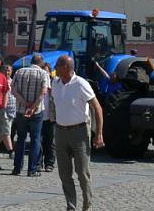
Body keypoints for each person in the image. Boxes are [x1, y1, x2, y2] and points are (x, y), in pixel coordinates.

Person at [50, 55, 104, 211]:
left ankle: (87, 204)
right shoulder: (56, 83)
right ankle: (71, 206)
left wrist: (99, 133)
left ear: (66, 67)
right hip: (60, 132)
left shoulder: (81, 83)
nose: (55, 69)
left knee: (82, 173)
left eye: (58, 66)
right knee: (64, 174)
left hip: (79, 132)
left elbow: (97, 108)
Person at [10, 54, 49, 177]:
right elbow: (44, 92)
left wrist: (25, 104)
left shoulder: (20, 71)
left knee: (20, 138)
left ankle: (17, 168)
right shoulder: (44, 74)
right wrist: (33, 107)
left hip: (21, 110)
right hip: (37, 111)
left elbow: (14, 90)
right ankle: (32, 169)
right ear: (41, 62)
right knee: (35, 139)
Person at [39, 63, 56, 172]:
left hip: (51, 117)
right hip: (39, 116)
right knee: (38, 141)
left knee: (50, 142)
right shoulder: (38, 84)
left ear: (50, 73)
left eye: (47, 71)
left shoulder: (55, 84)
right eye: (43, 71)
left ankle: (49, 163)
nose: (45, 73)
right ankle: (38, 162)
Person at [0, 65, 16, 158]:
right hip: (3, 110)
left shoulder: (13, 81)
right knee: (6, 131)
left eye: (9, 71)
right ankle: (11, 151)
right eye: (5, 70)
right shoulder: (1, 81)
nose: (7, 72)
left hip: (12, 110)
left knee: (1, 132)